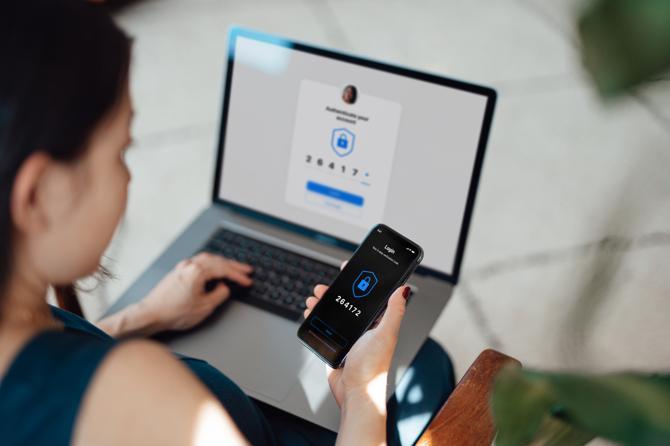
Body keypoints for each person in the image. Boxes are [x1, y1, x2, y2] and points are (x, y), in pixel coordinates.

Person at [0, 1, 454, 445]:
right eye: (120, 150)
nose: (128, 176)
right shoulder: (137, 397)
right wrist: (360, 395)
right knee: (428, 366)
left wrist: (143, 318)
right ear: (39, 193)